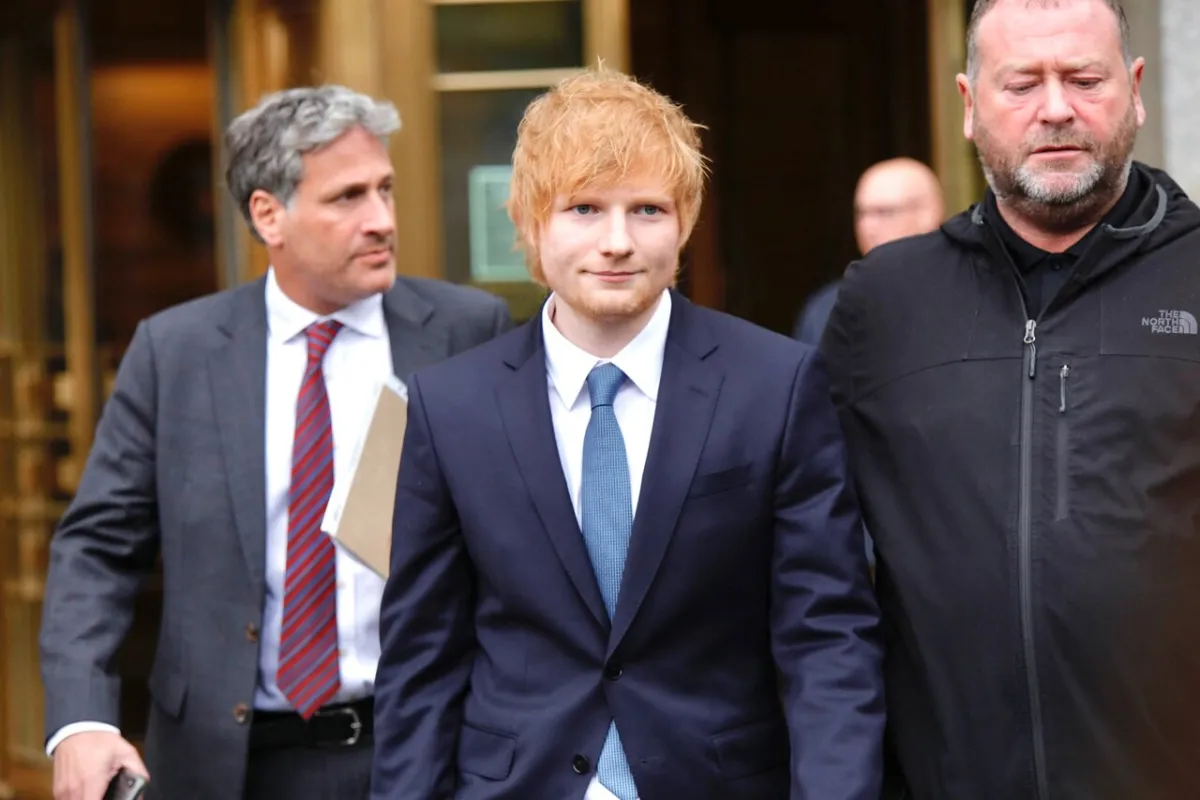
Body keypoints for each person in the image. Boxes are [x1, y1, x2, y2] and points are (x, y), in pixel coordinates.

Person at [370, 68, 884, 800]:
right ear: (529, 221)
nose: (617, 241)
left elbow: (826, 635)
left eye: (646, 209)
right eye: (583, 208)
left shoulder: (776, 384)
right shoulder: (450, 407)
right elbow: (422, 659)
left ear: (685, 222)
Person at [39, 85, 512, 800]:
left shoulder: (467, 332)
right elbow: (98, 548)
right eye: (347, 197)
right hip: (227, 765)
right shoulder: (176, 351)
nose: (382, 219)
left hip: (421, 752)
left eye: (385, 189)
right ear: (270, 215)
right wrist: (78, 721)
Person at [822, 1, 1200, 798]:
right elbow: (804, 555)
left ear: (1134, 91)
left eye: (1084, 79)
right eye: (1022, 82)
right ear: (968, 103)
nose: (1056, 108)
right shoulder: (885, 303)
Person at [792, 158, 943, 346]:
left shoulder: (967, 295)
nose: (867, 227)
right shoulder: (828, 308)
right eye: (861, 213)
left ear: (927, 214)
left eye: (883, 212)